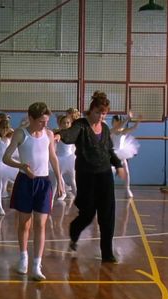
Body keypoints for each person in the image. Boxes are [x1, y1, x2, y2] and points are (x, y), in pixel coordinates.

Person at [55, 91, 126, 263]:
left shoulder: (106, 128)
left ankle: (107, 254)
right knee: (87, 214)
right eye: (97, 113)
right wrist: (59, 135)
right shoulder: (81, 125)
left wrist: (118, 165)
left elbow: (109, 150)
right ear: (90, 110)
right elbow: (70, 134)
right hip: (86, 176)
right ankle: (74, 231)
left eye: (103, 114)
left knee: (107, 215)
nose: (100, 116)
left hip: (104, 175)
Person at [3, 102, 63, 281]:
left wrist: (59, 180)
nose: (44, 125)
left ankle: (37, 265)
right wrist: (21, 165)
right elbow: (5, 157)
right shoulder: (21, 134)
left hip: (43, 183)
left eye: (46, 121)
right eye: (40, 121)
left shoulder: (49, 134)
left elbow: (53, 157)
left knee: (41, 224)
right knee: (25, 224)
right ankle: (23, 258)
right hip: (25, 182)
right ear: (30, 118)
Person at [110, 112, 141, 198]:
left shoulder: (123, 131)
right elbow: (116, 129)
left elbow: (134, 128)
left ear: (118, 122)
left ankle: (127, 189)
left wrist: (138, 121)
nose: (113, 122)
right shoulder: (111, 131)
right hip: (113, 154)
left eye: (114, 121)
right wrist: (128, 118)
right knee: (110, 173)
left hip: (122, 153)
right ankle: (108, 189)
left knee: (127, 172)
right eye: (112, 121)